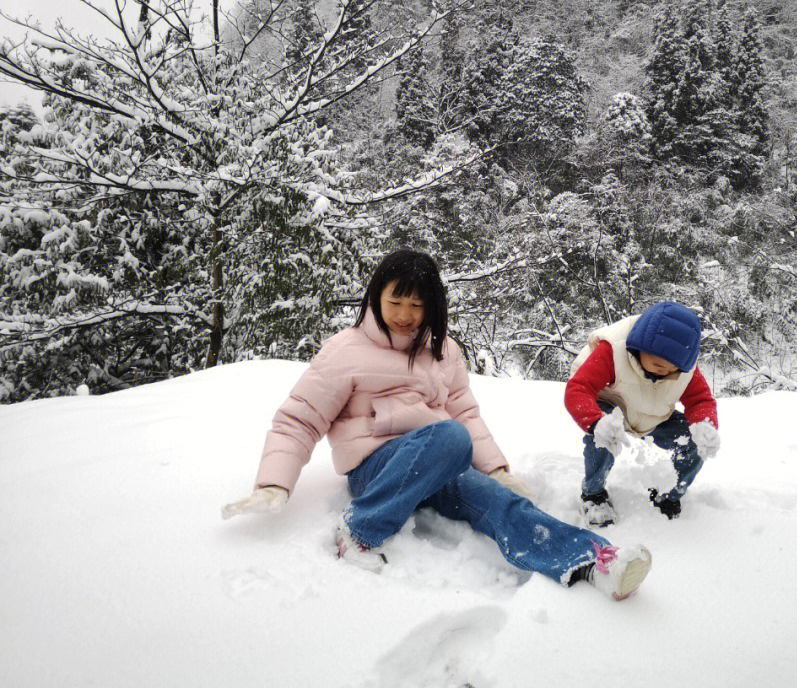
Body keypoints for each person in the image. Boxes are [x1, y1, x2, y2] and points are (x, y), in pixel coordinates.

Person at [222, 249, 651, 600]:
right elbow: (299, 418)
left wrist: (499, 471)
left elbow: (466, 413)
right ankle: (359, 531)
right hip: (377, 469)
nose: (405, 314)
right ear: (375, 296)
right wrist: (273, 484)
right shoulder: (344, 351)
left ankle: (594, 561)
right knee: (449, 435)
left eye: (417, 303)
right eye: (395, 300)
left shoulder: (444, 350)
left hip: (443, 459)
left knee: (500, 502)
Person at [564, 301, 721, 526]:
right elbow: (578, 388)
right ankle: (593, 495)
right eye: (658, 364)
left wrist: (705, 425)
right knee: (602, 440)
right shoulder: (613, 351)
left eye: (672, 369)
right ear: (640, 347)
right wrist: (596, 422)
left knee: (694, 443)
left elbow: (700, 400)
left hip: (655, 416)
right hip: (611, 406)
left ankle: (671, 494)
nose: (664, 371)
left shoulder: (685, 366)